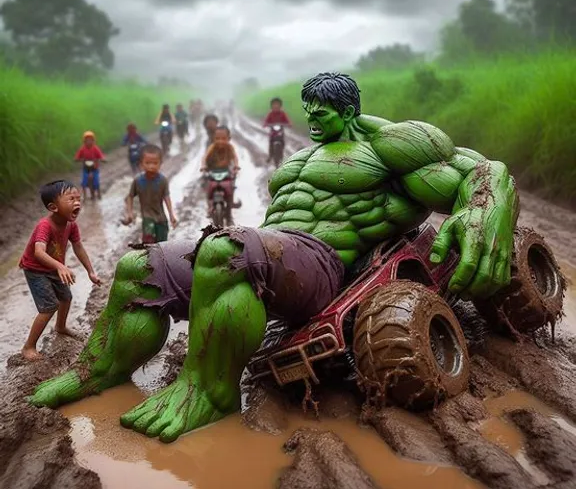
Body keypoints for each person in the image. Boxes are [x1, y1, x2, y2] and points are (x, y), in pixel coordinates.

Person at [30, 72, 519, 445]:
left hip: (324, 266)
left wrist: (485, 211)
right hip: (278, 251)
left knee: (226, 248)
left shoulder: (387, 147)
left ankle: (210, 392)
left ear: (348, 110)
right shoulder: (301, 159)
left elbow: (480, 172)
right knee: (138, 268)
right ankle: (99, 369)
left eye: (322, 111)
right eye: (307, 108)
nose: (311, 118)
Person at [19, 180, 101, 361]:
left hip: (54, 267)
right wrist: (61, 266)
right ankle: (28, 346)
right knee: (49, 307)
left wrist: (90, 271)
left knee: (66, 297)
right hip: (36, 269)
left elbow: (78, 246)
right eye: (71, 199)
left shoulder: (71, 225)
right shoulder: (45, 226)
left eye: (78, 198)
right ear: (53, 207)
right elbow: (38, 252)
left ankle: (61, 327)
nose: (77, 203)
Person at [124, 144, 177, 243]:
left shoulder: (162, 180)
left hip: (161, 218)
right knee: (148, 241)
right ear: (141, 164)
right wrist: (130, 213)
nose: (151, 166)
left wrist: (171, 215)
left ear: (160, 163)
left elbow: (166, 197)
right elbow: (130, 197)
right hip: (147, 218)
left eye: (155, 163)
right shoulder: (138, 181)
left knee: (162, 244)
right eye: (147, 163)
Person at [201, 125, 240, 223]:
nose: (220, 141)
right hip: (213, 171)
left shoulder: (230, 147)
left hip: (225, 171)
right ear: (213, 138)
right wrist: (203, 166)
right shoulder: (212, 147)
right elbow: (204, 158)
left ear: (228, 139)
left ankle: (229, 213)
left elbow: (235, 158)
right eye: (217, 138)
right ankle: (210, 207)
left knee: (230, 188)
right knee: (208, 187)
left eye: (223, 138)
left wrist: (236, 166)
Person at [74, 131, 105, 200]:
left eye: (90, 140)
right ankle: (84, 196)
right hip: (86, 168)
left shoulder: (95, 148)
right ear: (84, 141)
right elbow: (77, 156)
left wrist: (102, 159)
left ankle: (98, 193)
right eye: (87, 140)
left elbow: (100, 155)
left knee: (96, 182)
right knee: (84, 182)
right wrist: (78, 159)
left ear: (93, 141)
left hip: (94, 168)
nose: (89, 141)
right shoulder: (82, 149)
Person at [263, 97, 292, 163]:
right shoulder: (270, 114)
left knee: (282, 141)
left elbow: (288, 121)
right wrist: (266, 124)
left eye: (277, 104)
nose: (276, 106)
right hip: (273, 132)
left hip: (280, 131)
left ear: (280, 106)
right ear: (272, 106)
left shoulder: (282, 114)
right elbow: (266, 121)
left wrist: (289, 124)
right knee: (271, 142)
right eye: (274, 104)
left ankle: (281, 154)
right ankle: (270, 155)